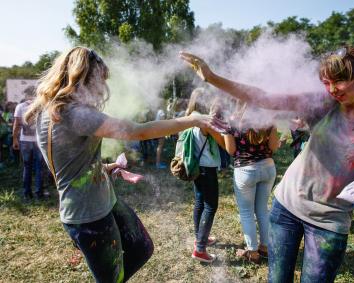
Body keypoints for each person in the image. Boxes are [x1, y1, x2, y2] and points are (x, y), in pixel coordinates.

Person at [180, 46, 354, 282]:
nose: (331, 90)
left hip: (330, 221)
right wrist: (212, 77)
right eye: (325, 82)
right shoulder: (323, 103)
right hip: (286, 208)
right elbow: (264, 97)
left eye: (338, 82)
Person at [24, 47, 218, 282]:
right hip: (88, 214)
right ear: (86, 77)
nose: (102, 88)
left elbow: (69, 163)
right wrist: (192, 119)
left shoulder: (56, 109)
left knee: (141, 248)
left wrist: (103, 168)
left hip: (99, 202)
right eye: (100, 80)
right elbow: (139, 132)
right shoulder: (75, 113)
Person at [223, 102, 279, 263]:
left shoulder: (232, 120)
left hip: (245, 170)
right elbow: (273, 147)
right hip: (268, 168)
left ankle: (253, 252)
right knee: (262, 209)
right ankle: (265, 247)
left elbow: (231, 150)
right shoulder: (269, 119)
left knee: (247, 212)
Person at [185, 88, 226, 263]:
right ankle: (200, 249)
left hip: (196, 167)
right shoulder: (204, 122)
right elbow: (224, 142)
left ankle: (199, 237)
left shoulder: (189, 117)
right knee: (211, 206)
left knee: (200, 203)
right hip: (206, 169)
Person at [13, 86, 45, 200]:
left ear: (26, 94)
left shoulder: (20, 106)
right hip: (38, 141)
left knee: (27, 167)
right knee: (39, 168)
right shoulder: (42, 106)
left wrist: (15, 139)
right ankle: (39, 194)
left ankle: (27, 194)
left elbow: (16, 125)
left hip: (24, 141)